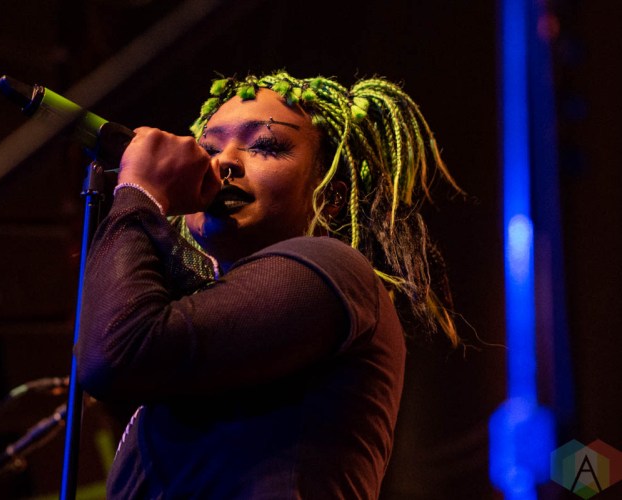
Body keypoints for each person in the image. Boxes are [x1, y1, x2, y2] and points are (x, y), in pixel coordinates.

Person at [76, 71, 460, 499]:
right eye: (208, 149)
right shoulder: (212, 317)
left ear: (331, 196)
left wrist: (139, 192)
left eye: (265, 146)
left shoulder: (333, 267)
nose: (224, 163)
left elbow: (117, 353)